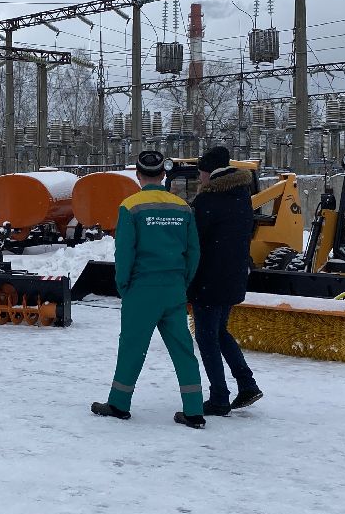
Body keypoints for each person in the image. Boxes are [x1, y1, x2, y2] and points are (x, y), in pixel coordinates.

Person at [91, 151, 207, 429]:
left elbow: (125, 253)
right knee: (183, 350)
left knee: (132, 347)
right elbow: (194, 252)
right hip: (174, 289)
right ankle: (194, 410)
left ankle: (119, 403)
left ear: (138, 176)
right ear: (164, 176)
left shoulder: (130, 206)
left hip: (142, 289)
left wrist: (124, 285)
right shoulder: (182, 207)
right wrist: (182, 282)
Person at [188, 146, 264, 416]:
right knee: (219, 332)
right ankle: (247, 384)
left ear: (210, 173)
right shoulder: (241, 196)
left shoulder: (208, 201)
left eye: (200, 174)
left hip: (208, 280)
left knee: (207, 338)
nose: (199, 180)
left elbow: (193, 242)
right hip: (232, 278)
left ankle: (219, 397)